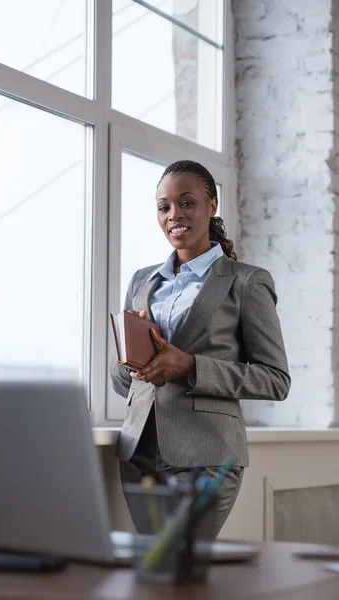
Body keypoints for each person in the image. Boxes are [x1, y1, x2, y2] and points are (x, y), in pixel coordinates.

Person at [110, 159, 290, 539]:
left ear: (212, 205)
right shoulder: (143, 280)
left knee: (181, 574)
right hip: (139, 454)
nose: (175, 214)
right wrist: (135, 363)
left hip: (206, 457)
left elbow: (275, 380)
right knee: (155, 575)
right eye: (164, 206)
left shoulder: (247, 283)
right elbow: (122, 381)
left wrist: (190, 366)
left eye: (187, 202)